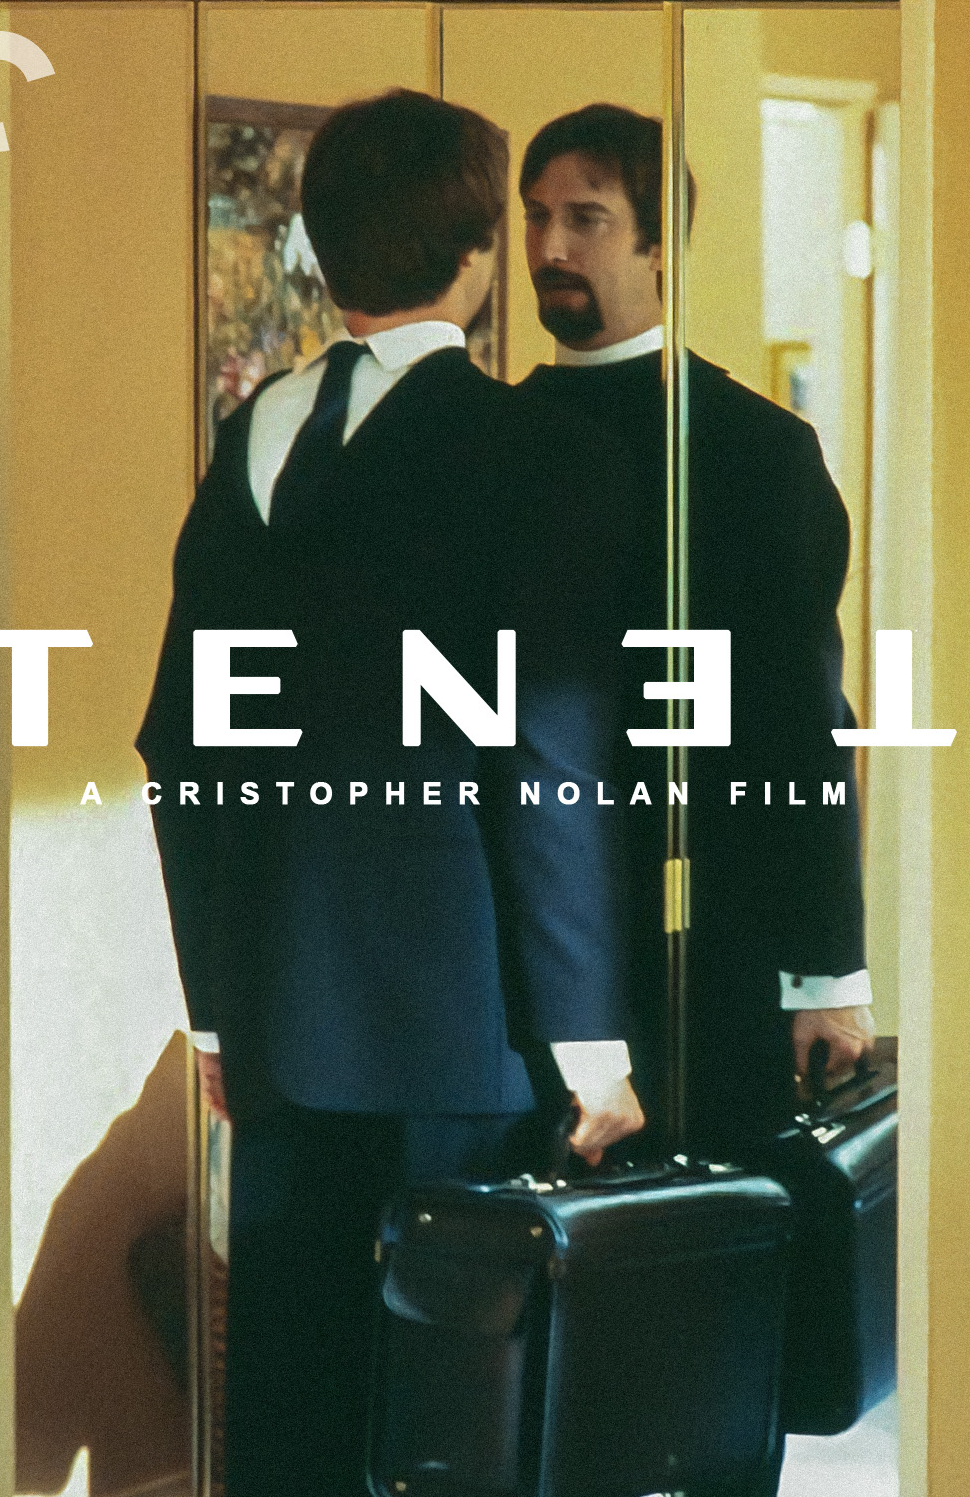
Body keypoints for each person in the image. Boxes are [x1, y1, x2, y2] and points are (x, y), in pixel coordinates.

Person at [137, 89, 644, 1497]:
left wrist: (219, 1005)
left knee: (291, 1415)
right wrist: (592, 1045)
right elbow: (546, 766)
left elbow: (185, 746)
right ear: (479, 255)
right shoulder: (540, 456)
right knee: (454, 1425)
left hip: (282, 1023)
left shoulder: (251, 442)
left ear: (321, 249)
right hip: (465, 1036)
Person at [515, 103, 875, 1497]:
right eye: (537, 217)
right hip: (530, 959)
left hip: (711, 945)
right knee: (547, 1351)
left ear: (661, 246)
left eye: (586, 217)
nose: (552, 246)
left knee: (718, 1336)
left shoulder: (752, 449)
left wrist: (825, 975)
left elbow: (802, 724)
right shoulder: (495, 439)